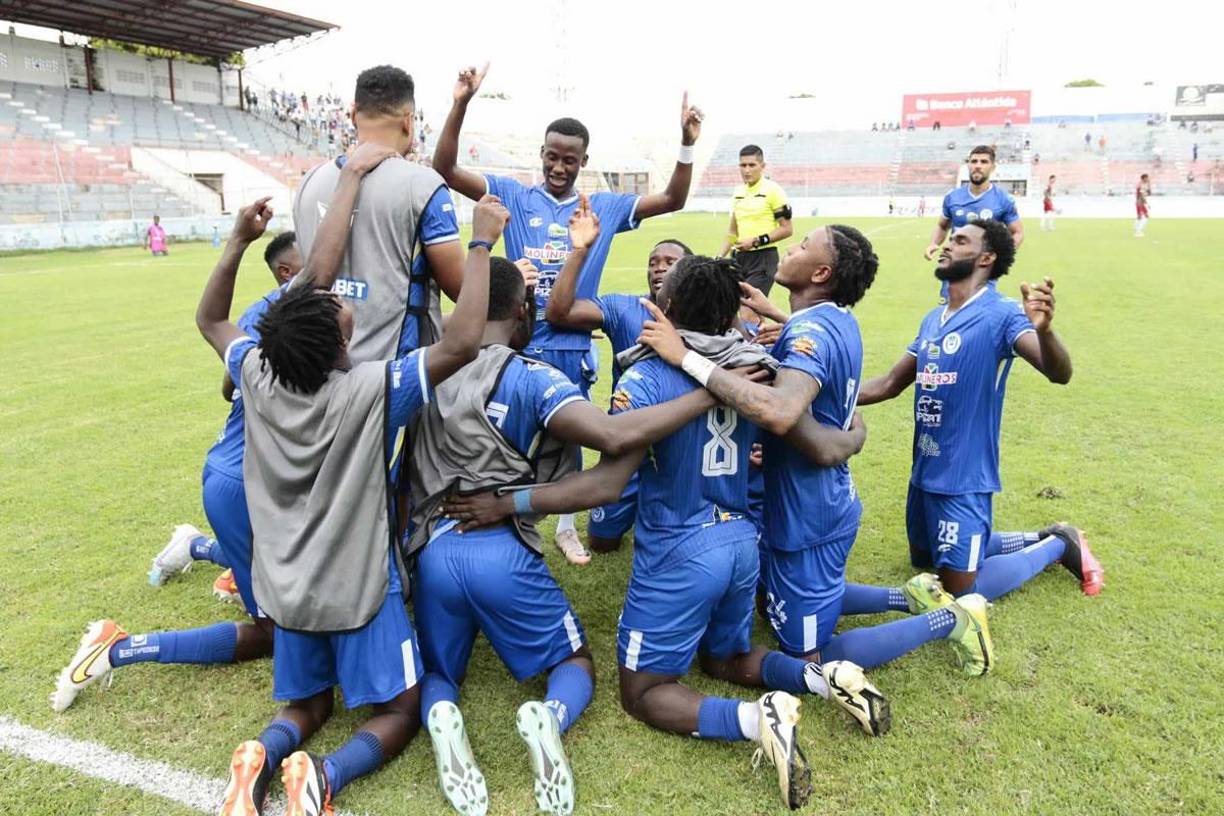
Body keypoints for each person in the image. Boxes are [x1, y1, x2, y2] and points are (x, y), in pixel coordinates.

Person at [445, 257, 886, 811]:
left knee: (644, 692)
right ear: (730, 314)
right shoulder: (754, 369)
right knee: (726, 658)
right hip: (740, 543)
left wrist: (509, 501)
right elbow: (791, 429)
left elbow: (606, 485)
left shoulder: (647, 376)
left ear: (667, 308)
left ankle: (756, 720)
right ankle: (825, 677)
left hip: (681, 551)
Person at [203, 147, 505, 816]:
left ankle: (262, 753)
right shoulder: (371, 390)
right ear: (340, 350)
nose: (347, 307)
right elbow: (461, 342)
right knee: (402, 708)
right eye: (344, 319)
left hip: (287, 588)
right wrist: (481, 243)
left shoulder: (257, 373)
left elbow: (212, 321)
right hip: (360, 591)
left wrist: (236, 243)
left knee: (307, 704)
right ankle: (326, 775)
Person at [409, 257, 733, 816]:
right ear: (522, 310)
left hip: (434, 549)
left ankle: (443, 715)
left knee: (439, 673)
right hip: (500, 550)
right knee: (575, 661)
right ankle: (550, 717)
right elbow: (611, 436)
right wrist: (710, 391)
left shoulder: (424, 367)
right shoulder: (533, 376)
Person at [635, 228, 997, 696]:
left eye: (803, 246)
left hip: (808, 517)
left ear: (822, 273)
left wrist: (685, 357)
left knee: (805, 656)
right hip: (820, 503)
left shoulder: (809, 332)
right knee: (780, 599)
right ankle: (907, 596)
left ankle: (953, 619)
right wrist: (778, 319)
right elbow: (814, 363)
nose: (791, 249)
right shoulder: (832, 319)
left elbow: (781, 411)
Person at [432, 62, 703, 562]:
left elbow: (673, 198)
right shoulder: (514, 194)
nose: (559, 167)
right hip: (515, 339)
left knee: (569, 438)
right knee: (502, 427)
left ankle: (564, 525)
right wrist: (461, 103)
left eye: (570, 161)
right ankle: (496, 513)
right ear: (541, 154)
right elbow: (445, 170)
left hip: (570, 343)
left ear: (583, 162)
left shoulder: (604, 206)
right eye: (552, 157)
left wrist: (686, 144)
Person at [50, 210, 304, 715]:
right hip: (245, 483)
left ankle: (200, 549)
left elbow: (229, 382)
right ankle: (117, 648)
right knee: (274, 633)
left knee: (294, 565)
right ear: (286, 272)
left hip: (245, 473)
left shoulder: (265, 313)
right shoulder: (291, 312)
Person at [857, 220, 1103, 605]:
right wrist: (826, 396)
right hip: (925, 470)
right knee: (924, 560)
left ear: (986, 258)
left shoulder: (1002, 314)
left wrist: (1044, 331)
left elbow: (1059, 373)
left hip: (965, 476)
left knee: (957, 592)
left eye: (959, 241)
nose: (947, 245)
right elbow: (890, 383)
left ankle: (1058, 544)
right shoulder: (933, 319)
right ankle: (1038, 535)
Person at [544, 196, 693, 554]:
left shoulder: (705, 314)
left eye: (670, 262)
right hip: (628, 440)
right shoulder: (625, 308)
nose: (659, 268)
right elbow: (558, 311)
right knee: (602, 542)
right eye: (653, 263)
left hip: (682, 444)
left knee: (674, 539)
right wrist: (580, 250)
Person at [293, 65, 464, 365]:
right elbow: (461, 288)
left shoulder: (309, 182)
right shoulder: (423, 185)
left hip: (321, 371)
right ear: (408, 121)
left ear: (352, 114)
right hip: (393, 376)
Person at [924, 145, 1024, 300]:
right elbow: (942, 226)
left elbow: (1017, 232)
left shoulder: (1003, 200)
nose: (978, 165)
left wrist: (1002, 257)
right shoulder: (953, 197)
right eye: (974, 161)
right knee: (950, 308)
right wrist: (933, 243)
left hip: (983, 269)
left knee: (980, 309)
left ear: (993, 167)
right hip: (954, 265)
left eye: (984, 162)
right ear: (968, 165)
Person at [717, 145, 793, 294]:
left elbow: (787, 229)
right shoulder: (738, 192)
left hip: (763, 259)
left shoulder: (773, 190)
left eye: (752, 165)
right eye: (743, 165)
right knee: (737, 304)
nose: (747, 170)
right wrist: (719, 257)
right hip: (739, 259)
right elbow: (733, 232)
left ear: (762, 166)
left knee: (749, 304)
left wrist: (756, 241)